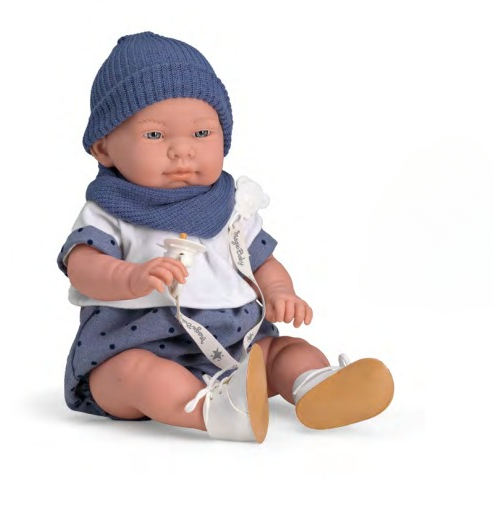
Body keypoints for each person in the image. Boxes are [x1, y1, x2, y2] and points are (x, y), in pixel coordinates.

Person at [57, 31, 394, 443]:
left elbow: (261, 260)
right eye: (155, 135)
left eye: (201, 134)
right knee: (132, 376)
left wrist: (280, 292)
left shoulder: (232, 204)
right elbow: (82, 266)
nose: (182, 151)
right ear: (104, 149)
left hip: (237, 347)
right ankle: (215, 410)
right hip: (138, 345)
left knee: (286, 351)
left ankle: (316, 384)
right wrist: (130, 277)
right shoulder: (110, 210)